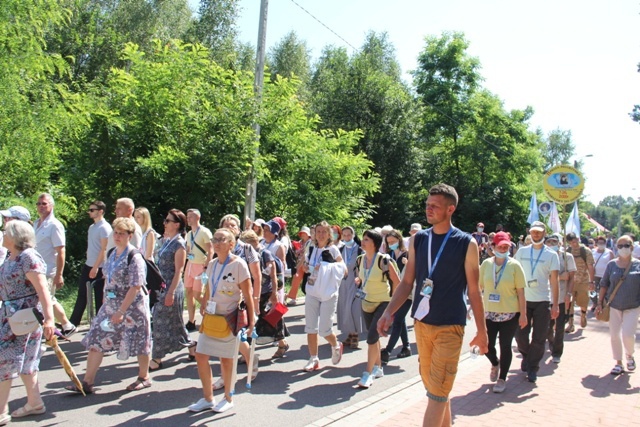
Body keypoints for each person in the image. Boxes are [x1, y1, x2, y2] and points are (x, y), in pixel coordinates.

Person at [378, 183, 488, 427]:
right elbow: (407, 282)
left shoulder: (466, 243)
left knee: (437, 394)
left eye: (434, 206)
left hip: (450, 326)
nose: (428, 209)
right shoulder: (419, 239)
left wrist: (482, 331)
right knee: (435, 387)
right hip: (422, 324)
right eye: (427, 205)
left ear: (450, 209)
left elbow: (473, 290)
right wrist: (388, 312)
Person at [67, 217, 152, 394]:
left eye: (122, 233)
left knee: (139, 341)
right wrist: (106, 303)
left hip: (132, 307)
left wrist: (121, 310)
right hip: (111, 305)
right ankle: (87, 382)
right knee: (97, 337)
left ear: (130, 235)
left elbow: (136, 286)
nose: (117, 236)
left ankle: (144, 377)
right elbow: (107, 278)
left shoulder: (134, 256)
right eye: (116, 232)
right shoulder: (113, 253)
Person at [188, 228, 255, 414]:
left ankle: (228, 398)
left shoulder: (239, 264)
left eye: (222, 239)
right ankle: (208, 398)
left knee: (226, 360)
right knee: (201, 356)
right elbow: (210, 285)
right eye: (215, 238)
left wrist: (252, 320)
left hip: (229, 319)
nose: (217, 242)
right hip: (211, 318)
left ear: (231, 244)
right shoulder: (212, 264)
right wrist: (205, 302)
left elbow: (248, 295)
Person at [0, 220, 55, 421]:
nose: (3, 234)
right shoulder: (10, 257)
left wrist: (50, 319)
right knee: (26, 362)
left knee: (4, 361)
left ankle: (1, 411)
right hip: (9, 317)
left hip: (24, 318)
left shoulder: (28, 257)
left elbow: (42, 290)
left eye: (6, 232)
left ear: (15, 236)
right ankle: (35, 402)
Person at [479, 232, 527, 393]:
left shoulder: (515, 265)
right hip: (489, 313)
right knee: (486, 346)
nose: (504, 249)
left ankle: (502, 378)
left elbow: (521, 292)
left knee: (505, 346)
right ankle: (495, 363)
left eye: (506, 246)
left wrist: (524, 314)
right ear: (493, 247)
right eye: (500, 246)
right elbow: (479, 288)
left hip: (510, 313)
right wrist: (473, 308)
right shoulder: (486, 264)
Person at [514, 220, 560, 383]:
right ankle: (526, 356)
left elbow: (554, 281)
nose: (536, 234)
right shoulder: (522, 252)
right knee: (520, 336)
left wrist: (555, 304)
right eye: (533, 231)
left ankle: (533, 368)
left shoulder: (551, 255)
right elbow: (514, 273)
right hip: (523, 300)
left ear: (544, 233)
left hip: (542, 300)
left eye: (539, 232)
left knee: (539, 337)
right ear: (530, 233)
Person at [355, 229, 400, 388]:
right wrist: (358, 280)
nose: (363, 241)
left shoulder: (384, 260)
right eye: (363, 239)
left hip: (384, 302)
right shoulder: (360, 260)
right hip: (367, 302)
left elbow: (397, 281)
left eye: (366, 239)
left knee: (371, 338)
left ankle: (367, 374)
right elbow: (361, 277)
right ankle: (379, 368)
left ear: (374, 243)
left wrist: (393, 304)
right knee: (373, 338)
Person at [150, 209, 193, 371]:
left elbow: (179, 270)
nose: (164, 223)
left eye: (168, 221)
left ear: (176, 225)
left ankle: (156, 358)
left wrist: (171, 292)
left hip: (172, 287)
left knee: (160, 320)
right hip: (161, 287)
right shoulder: (165, 241)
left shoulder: (179, 244)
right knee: (176, 323)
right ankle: (191, 344)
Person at [301, 221, 346, 372]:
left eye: (323, 232)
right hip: (312, 290)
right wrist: (307, 267)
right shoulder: (312, 248)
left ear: (329, 234)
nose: (320, 234)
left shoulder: (333, 250)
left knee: (325, 330)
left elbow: (344, 270)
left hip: (328, 293)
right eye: (318, 231)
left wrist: (326, 267)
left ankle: (335, 345)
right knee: (310, 327)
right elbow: (305, 266)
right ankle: (313, 358)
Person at [595, 235, 640, 375]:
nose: (623, 249)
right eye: (619, 246)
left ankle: (629, 355)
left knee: (627, 334)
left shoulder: (638, 265)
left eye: (626, 245)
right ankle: (618, 362)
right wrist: (599, 303)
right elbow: (604, 284)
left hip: (632, 306)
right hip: (613, 305)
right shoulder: (611, 264)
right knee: (614, 335)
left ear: (632, 247)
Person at [33, 193, 75, 337]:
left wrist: (59, 275)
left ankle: (47, 329)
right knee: (49, 299)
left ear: (51, 205)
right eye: (38, 204)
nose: (41, 207)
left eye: (44, 204)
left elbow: (61, 251)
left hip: (48, 270)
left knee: (45, 299)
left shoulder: (55, 225)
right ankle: (67, 325)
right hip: (36, 269)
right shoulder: (36, 223)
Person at [242, 230, 289, 357]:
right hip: (253, 292)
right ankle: (247, 352)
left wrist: (274, 294)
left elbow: (273, 276)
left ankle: (282, 343)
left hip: (266, 292)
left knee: (273, 319)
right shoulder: (247, 254)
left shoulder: (265, 253)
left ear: (251, 242)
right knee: (251, 321)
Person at [69, 201, 112, 327]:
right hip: (89, 264)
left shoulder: (105, 227)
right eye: (89, 209)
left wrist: (95, 267)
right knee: (82, 294)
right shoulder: (92, 227)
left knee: (100, 297)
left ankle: (100, 325)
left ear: (100, 211)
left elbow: (104, 249)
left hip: (99, 266)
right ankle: (72, 324)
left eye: (92, 210)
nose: (89, 212)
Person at [381, 229, 412, 363]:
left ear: (399, 240)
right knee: (400, 319)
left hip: (407, 293)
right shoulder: (389, 255)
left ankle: (387, 351)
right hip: (394, 292)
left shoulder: (408, 254)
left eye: (393, 241)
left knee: (398, 319)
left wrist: (408, 263)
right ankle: (406, 347)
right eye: (389, 242)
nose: (391, 244)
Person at [544, 233, 575, 363]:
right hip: (545, 297)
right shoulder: (543, 256)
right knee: (546, 327)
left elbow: (572, 277)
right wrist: (560, 276)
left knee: (560, 326)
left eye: (554, 242)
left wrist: (569, 293)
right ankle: (551, 343)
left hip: (561, 297)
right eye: (549, 242)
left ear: (560, 243)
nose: (552, 245)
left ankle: (557, 352)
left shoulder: (567, 258)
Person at [184, 209, 213, 332]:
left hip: (200, 266)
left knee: (197, 294)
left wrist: (206, 266)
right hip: (190, 265)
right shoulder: (189, 233)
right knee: (189, 293)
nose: (188, 219)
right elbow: (189, 248)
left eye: (191, 216)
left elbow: (211, 250)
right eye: (188, 216)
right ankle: (191, 321)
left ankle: (211, 312)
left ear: (198, 217)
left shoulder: (205, 232)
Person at [336, 226, 365, 350]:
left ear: (353, 235)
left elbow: (363, 266)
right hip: (342, 283)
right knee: (343, 308)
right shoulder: (340, 249)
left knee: (352, 308)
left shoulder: (359, 250)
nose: (347, 237)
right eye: (345, 235)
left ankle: (355, 335)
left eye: (349, 235)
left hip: (355, 282)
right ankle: (349, 333)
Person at [565, 232, 595, 332]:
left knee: (583, 302)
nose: (574, 244)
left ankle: (583, 314)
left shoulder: (585, 251)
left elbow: (590, 266)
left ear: (578, 239)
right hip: (571, 282)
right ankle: (571, 324)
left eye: (575, 241)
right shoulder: (567, 251)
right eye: (572, 242)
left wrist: (592, 281)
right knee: (569, 303)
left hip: (583, 281)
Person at [286, 226, 313, 304]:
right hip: (299, 263)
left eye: (304, 233)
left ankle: (310, 296)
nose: (303, 235)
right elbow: (295, 253)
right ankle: (292, 297)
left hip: (307, 264)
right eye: (302, 233)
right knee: (296, 279)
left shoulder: (311, 242)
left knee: (308, 281)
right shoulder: (299, 242)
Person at [591, 235, 614, 310]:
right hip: (594, 274)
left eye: (602, 242)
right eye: (599, 242)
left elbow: (613, 264)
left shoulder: (609, 252)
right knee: (592, 290)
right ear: (596, 243)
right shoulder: (593, 251)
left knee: (603, 290)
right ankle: (594, 303)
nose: (601, 244)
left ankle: (602, 303)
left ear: (605, 243)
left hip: (605, 275)